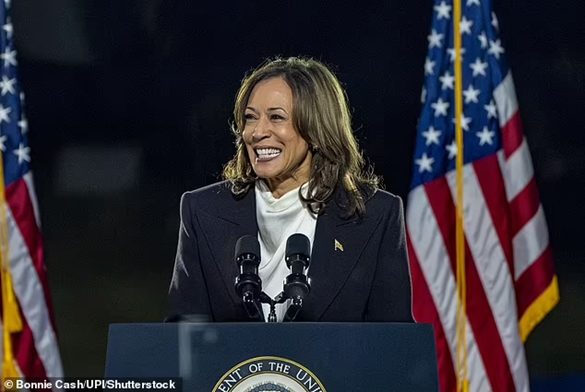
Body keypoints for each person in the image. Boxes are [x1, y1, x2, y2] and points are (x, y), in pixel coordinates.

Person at [166, 56, 414, 323]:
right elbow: (183, 340)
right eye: (250, 118)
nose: (258, 132)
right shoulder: (202, 211)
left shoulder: (375, 215)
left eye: (276, 117)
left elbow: (393, 345)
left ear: (316, 128)